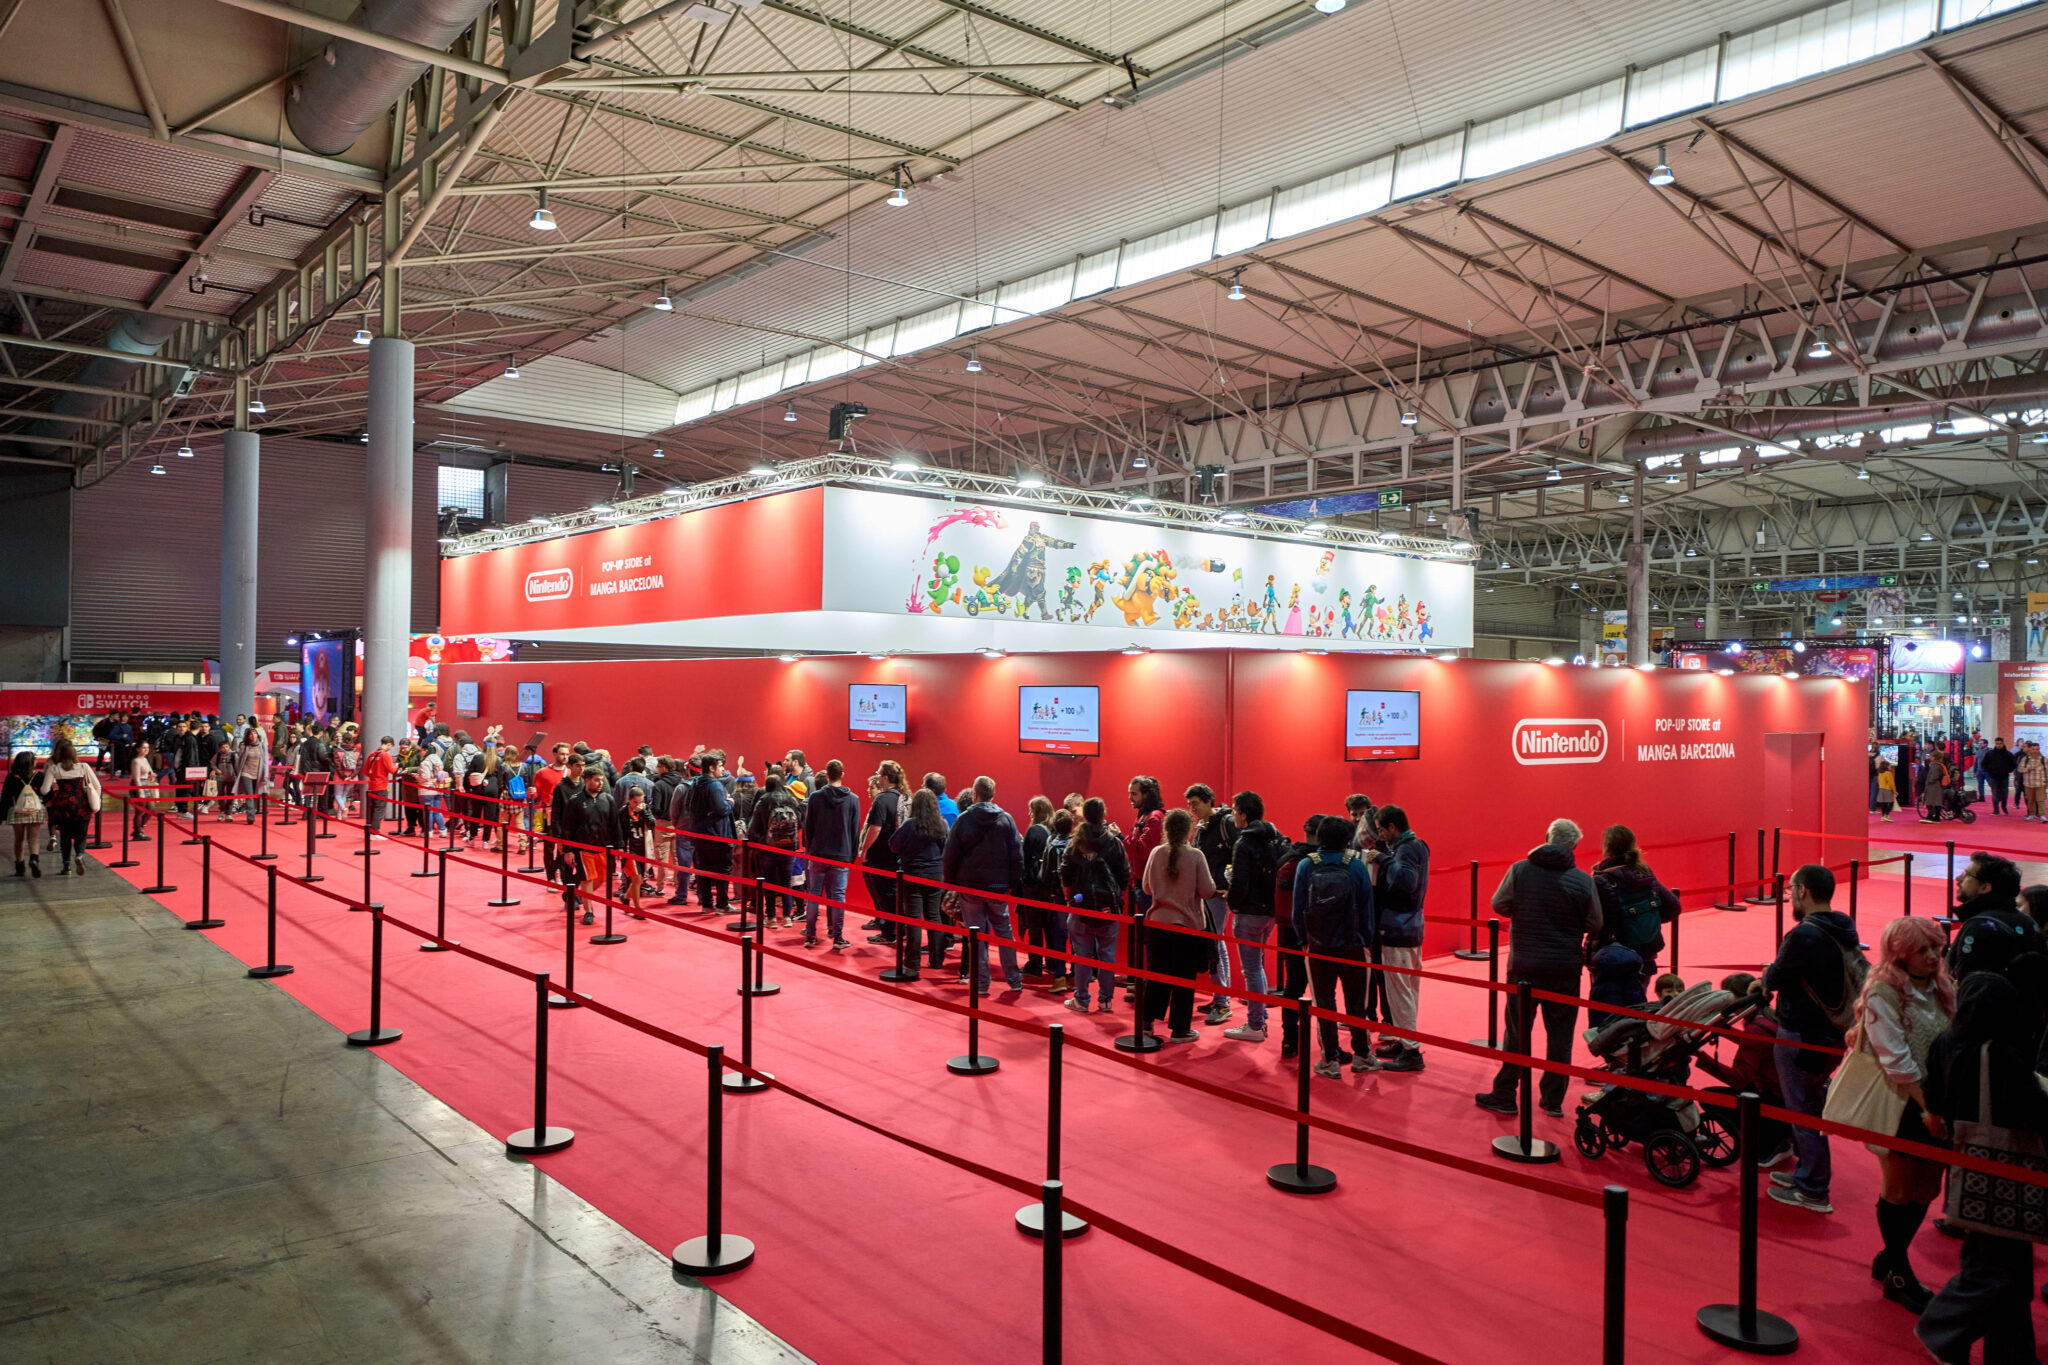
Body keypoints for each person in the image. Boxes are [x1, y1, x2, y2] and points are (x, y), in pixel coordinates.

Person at [1916, 973, 2048, 1363]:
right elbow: (2035, 1111)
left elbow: (1933, 1102)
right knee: (1999, 1272)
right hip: (2006, 1173)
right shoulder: (2002, 1053)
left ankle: (2013, 1353)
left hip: (1969, 1166)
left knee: (2003, 1269)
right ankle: (1938, 1330)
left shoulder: (1947, 1042)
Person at [1833, 917, 1958, 1313]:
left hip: (1937, 1103)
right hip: (1904, 1104)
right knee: (1900, 1188)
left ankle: (1889, 1258)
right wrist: (1928, 1107)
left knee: (1928, 1190)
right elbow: (1896, 1060)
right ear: (1900, 953)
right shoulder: (1884, 990)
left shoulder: (1941, 986)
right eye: (1922, 950)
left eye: (1936, 947)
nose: (1933, 955)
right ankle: (1899, 1274)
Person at [1476, 818, 1601, 1118]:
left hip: (1524, 965)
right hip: (1564, 968)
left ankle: (1505, 1094)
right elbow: (1595, 923)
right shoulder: (1583, 881)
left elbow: (1498, 904)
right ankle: (1553, 1099)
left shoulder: (1520, 870)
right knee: (1560, 1037)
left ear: (1546, 837)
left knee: (1517, 1033)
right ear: (1573, 846)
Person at [1760, 863, 1863, 1214]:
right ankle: (1807, 1171)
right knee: (1810, 1105)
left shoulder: (1803, 934)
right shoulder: (1841, 927)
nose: (1789, 895)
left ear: (1803, 890)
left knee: (1803, 1110)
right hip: (1831, 1031)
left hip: (1803, 1032)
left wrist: (1764, 975)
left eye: (1791, 889)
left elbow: (1776, 976)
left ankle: (1813, 1187)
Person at [1293, 813, 1376, 1077]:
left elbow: (1298, 910)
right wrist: (1366, 940)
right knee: (1357, 1005)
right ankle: (1363, 1055)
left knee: (1323, 1003)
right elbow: (1366, 909)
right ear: (1346, 840)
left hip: (1318, 946)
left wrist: (1303, 940)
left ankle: (1330, 1060)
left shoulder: (1307, 866)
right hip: (1353, 945)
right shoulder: (1356, 866)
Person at [943, 776, 1026, 995]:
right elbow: (1017, 855)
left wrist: (951, 884)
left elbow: (950, 854)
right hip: (998, 887)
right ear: (993, 794)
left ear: (974, 794)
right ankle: (1014, 979)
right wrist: (1013, 884)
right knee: (1005, 933)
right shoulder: (1006, 819)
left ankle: (980, 983)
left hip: (969, 887)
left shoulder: (963, 820)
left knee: (976, 936)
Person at [1140, 808, 1217, 1042]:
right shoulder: (1195, 856)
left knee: (1156, 974)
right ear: (1189, 830)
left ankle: (1147, 1023)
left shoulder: (1156, 852)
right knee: (1183, 978)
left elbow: (1146, 888)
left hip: (1158, 924)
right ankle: (1180, 1029)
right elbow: (1207, 890)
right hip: (1187, 925)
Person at [1368, 804, 1429, 1071]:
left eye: (1382, 829)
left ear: (1393, 827)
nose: (1380, 835)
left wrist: (1382, 860)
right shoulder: (1418, 845)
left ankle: (1412, 1051)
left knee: (1400, 990)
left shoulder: (1404, 850)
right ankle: (1405, 1042)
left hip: (1397, 928)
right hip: (1411, 926)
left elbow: (1406, 881)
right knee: (1407, 989)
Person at [1223, 791, 1289, 1027]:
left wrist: (1233, 901)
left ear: (1242, 815)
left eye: (1233, 810)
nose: (1232, 815)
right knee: (1256, 965)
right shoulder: (1277, 837)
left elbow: (1239, 881)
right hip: (1271, 911)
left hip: (1249, 912)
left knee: (1251, 969)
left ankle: (1254, 1024)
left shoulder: (1245, 842)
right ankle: (1259, 1015)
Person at [1589, 824, 1681, 979]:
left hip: (1612, 956)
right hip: (1646, 953)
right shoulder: (1644, 872)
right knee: (1639, 1000)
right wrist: (1649, 920)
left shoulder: (1601, 880)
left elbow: (1594, 921)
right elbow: (1673, 906)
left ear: (1607, 848)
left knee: (1606, 1000)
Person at [1059, 815, 1129, 1014]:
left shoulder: (1074, 847)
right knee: (1107, 955)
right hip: (1109, 909)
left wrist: (1068, 899)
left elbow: (1064, 875)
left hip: (1081, 908)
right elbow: (1125, 874)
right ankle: (1106, 1001)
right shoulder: (1114, 844)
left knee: (1082, 955)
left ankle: (1082, 999)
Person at [1186, 784, 1236, 1026]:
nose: (1192, 808)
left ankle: (1222, 1003)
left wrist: (1231, 886)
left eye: (1195, 803)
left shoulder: (1226, 823)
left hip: (1218, 893)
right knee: (1216, 944)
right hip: (1207, 892)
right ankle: (1220, 998)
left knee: (1216, 946)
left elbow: (1239, 854)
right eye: (1190, 804)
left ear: (1208, 801)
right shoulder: (1202, 827)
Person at [1948, 852, 2044, 978]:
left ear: (1985, 887)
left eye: (1966, 875)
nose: (1958, 879)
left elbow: (1971, 985)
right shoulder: (2030, 923)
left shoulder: (1978, 926)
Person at [800, 760, 860, 948]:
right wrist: (851, 856)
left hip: (818, 852)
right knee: (838, 896)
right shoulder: (853, 799)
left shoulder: (816, 798)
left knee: (813, 895)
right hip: (841, 854)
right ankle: (837, 937)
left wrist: (809, 849)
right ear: (842, 774)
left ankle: (810, 935)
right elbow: (854, 830)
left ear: (826, 775)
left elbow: (808, 826)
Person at [889, 787, 951, 968]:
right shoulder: (942, 823)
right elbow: (945, 849)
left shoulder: (909, 824)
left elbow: (894, 845)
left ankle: (913, 960)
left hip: (912, 874)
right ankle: (937, 960)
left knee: (913, 918)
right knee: (934, 917)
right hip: (935, 874)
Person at [559, 766, 615, 925]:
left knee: (602, 878)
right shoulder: (575, 801)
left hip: (604, 848)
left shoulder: (608, 799)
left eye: (601, 780)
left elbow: (614, 824)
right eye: (596, 780)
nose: (600, 783)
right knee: (588, 879)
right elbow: (567, 826)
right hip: (583, 849)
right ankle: (589, 911)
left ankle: (578, 894)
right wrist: (568, 850)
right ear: (587, 780)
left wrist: (618, 846)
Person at [38, 737, 101, 877]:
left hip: (62, 805)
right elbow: (97, 785)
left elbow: (44, 790)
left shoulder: (54, 768)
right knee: (81, 834)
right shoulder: (84, 767)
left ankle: (66, 866)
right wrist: (96, 801)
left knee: (65, 835)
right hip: (81, 805)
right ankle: (79, 854)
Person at [746, 773, 802, 927]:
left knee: (769, 883)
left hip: (768, 848)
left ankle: (770, 918)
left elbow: (752, 829)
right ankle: (786, 917)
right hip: (788, 847)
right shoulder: (791, 799)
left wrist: (759, 840)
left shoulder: (764, 801)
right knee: (786, 883)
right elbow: (801, 822)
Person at [686, 751, 736, 913]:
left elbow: (691, 808)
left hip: (700, 836)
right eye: (721, 766)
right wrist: (730, 802)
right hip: (717, 836)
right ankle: (722, 904)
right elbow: (721, 808)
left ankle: (707, 904)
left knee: (704, 871)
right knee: (723, 870)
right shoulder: (714, 785)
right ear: (711, 767)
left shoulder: (695, 783)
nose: (723, 769)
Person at [1018, 795, 1058, 977]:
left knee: (1034, 927)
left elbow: (1024, 861)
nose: (1029, 813)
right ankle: (1052, 963)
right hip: (1049, 886)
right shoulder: (1054, 830)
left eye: (1031, 810)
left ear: (1037, 812)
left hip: (1033, 886)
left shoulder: (1034, 831)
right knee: (1050, 927)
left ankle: (1034, 964)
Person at [614, 783, 657, 916]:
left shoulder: (645, 809)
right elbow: (618, 830)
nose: (637, 804)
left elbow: (652, 825)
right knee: (637, 879)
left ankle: (625, 897)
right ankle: (637, 909)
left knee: (639, 878)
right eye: (634, 802)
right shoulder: (622, 812)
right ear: (628, 800)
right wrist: (619, 847)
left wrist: (644, 811)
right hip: (629, 848)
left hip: (643, 848)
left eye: (640, 801)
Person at [4, 751, 44, 877]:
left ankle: (20, 867)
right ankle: (34, 859)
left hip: (17, 811)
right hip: (34, 811)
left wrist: (2, 815)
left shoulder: (11, 777)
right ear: (31, 763)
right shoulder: (39, 776)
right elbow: (45, 793)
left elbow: (6, 797)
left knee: (19, 839)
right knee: (33, 838)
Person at [362, 735, 398, 833]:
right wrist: (397, 765)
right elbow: (392, 770)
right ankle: (375, 831)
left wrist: (373, 775)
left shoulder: (373, 754)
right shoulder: (385, 755)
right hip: (381, 786)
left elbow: (365, 771)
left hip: (372, 785)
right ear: (389, 744)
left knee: (373, 809)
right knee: (379, 809)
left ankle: (371, 831)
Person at [1981, 738, 2016, 817]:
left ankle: (2004, 807)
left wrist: (2007, 770)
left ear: (2003, 743)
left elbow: (2013, 765)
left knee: (2004, 793)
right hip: (1993, 777)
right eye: (1997, 743)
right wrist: (1990, 770)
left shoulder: (2008, 754)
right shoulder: (1990, 754)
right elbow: (1984, 764)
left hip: (2004, 777)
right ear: (1995, 744)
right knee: (1995, 793)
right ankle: (1996, 810)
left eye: (2000, 743)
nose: (1998, 745)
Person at [2019, 740, 2047, 821]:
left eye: (2037, 749)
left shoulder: (2043, 759)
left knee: (2040, 800)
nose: (2035, 751)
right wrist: (2026, 770)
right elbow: (2019, 769)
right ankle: (2032, 815)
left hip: (2040, 783)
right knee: (2030, 800)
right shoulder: (2025, 758)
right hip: (2029, 783)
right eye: (2034, 749)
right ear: (2031, 749)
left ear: (2039, 749)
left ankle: (2042, 815)